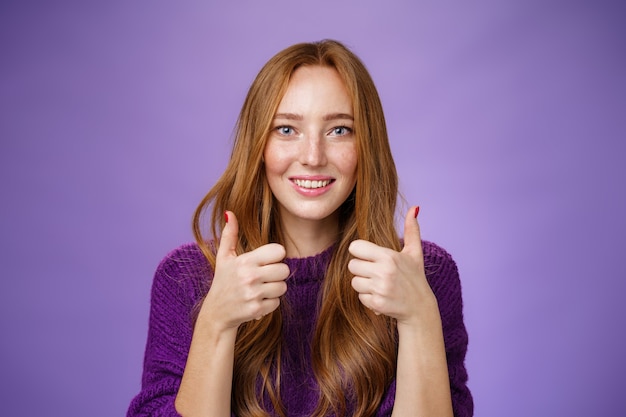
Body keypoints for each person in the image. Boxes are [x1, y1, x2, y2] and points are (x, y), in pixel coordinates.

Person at [127, 39, 473, 417]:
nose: (312, 157)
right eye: (287, 130)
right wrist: (215, 322)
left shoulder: (424, 276)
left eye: (339, 130)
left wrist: (419, 317)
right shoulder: (187, 277)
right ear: (257, 144)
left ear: (367, 145)